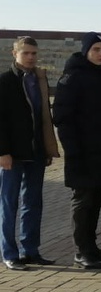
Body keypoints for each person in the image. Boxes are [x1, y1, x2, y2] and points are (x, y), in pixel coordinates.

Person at [52, 32, 101, 269]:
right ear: (86, 52)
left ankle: (92, 247)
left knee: (96, 200)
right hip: (82, 153)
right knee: (83, 202)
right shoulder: (72, 78)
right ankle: (81, 252)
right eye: (96, 49)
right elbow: (62, 118)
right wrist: (72, 151)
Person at [0, 37, 60, 271]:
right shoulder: (5, 82)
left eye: (34, 53)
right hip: (12, 154)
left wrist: (46, 147)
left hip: (35, 151)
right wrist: (3, 151)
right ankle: (9, 253)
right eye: (26, 53)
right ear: (14, 53)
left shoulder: (39, 79)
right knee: (8, 204)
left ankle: (30, 251)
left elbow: (44, 117)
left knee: (33, 202)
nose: (31, 57)